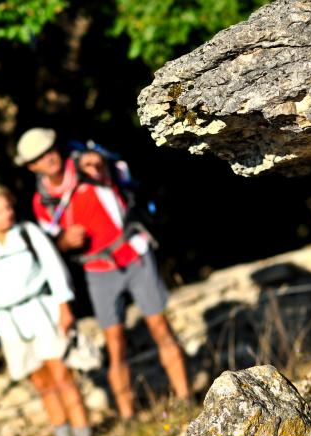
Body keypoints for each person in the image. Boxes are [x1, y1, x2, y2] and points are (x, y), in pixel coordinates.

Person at [15, 128, 190, 420]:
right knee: (115, 342)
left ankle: (185, 400)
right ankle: (128, 416)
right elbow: (50, 245)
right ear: (31, 166)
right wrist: (64, 242)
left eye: (50, 149)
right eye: (39, 157)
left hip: (134, 254)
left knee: (160, 326)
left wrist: (95, 162)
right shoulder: (42, 201)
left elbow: (101, 164)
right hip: (97, 270)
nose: (49, 158)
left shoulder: (85, 163)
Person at [0, 184, 91, 436]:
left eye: (8, 207)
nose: (6, 213)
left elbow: (55, 268)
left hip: (42, 310)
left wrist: (64, 307)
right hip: (9, 322)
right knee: (41, 382)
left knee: (62, 375)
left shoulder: (28, 233)